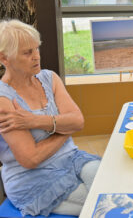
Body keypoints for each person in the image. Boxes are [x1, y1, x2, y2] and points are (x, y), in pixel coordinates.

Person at [0, 20, 101, 216]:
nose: (36, 56)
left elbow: (78, 121)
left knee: (113, 187)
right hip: (33, 179)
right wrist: (65, 128)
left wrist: (34, 121)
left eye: (36, 49)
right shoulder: (3, 99)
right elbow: (31, 158)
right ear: (4, 58)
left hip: (72, 159)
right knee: (103, 205)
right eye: (27, 52)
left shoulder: (49, 78)